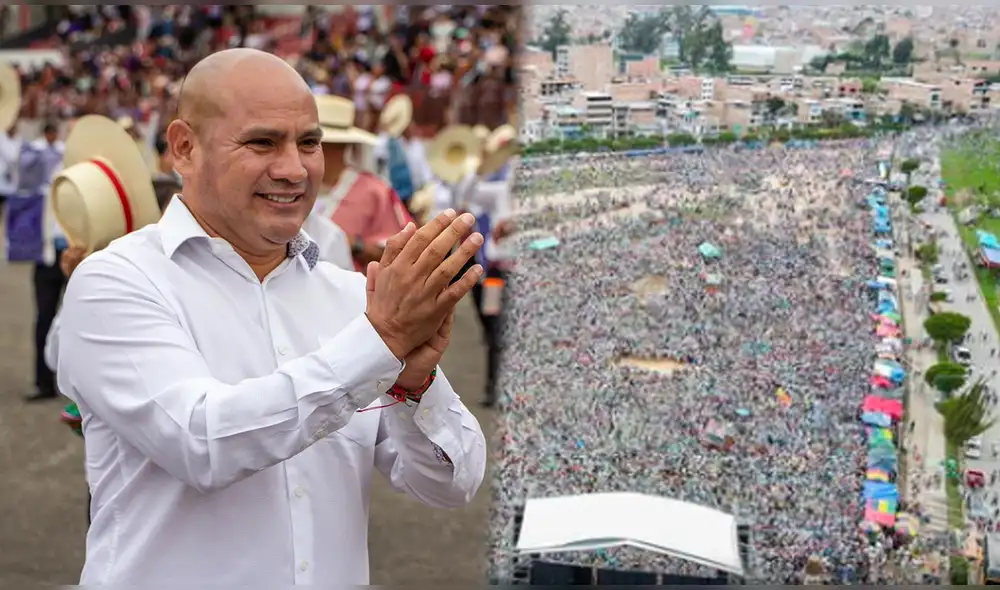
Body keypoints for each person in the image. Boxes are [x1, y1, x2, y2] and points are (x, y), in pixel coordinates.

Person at [56, 48, 487, 585]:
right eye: (262, 142)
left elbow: (451, 484)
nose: (294, 168)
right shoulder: (115, 281)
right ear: (184, 148)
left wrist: (415, 385)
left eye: (309, 143)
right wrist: (383, 341)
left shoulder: (351, 296)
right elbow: (202, 444)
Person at [315, 94, 414, 272]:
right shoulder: (292, 188)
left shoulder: (374, 191)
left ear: (339, 146)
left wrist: (355, 245)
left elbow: (401, 253)